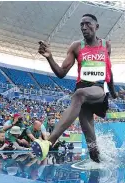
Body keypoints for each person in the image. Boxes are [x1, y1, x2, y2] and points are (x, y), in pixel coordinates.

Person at [33, 14, 118, 162]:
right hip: (81, 98)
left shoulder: (106, 45)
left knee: (79, 94)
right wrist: (49, 57)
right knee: (91, 145)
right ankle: (101, 164)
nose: (84, 27)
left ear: (96, 26)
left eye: (88, 24)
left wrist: (113, 92)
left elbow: (108, 70)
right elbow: (61, 73)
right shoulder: (76, 46)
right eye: (81, 25)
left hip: (96, 90)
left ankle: (48, 142)